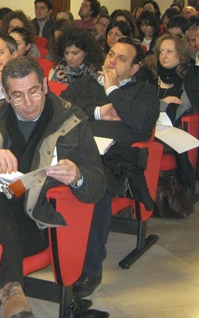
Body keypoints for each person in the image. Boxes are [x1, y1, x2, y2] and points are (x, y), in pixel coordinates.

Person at [0, 57, 105, 318]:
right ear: (6, 95)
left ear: (45, 86)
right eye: (18, 95)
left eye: (34, 91)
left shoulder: (72, 120)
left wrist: (77, 176)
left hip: (38, 219)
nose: (28, 103)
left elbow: (98, 185)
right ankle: (8, 293)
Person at [61, 37, 159, 297]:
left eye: (122, 59)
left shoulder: (144, 92)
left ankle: (91, 269)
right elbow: (62, 110)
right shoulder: (85, 83)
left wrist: (113, 90)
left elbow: (140, 125)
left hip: (113, 160)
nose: (112, 61)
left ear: (134, 69)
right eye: (111, 54)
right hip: (75, 151)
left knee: (97, 188)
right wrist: (98, 112)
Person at [140, 34, 199, 193]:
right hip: (146, 125)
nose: (163, 56)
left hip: (174, 131)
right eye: (161, 52)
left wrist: (156, 106)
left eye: (169, 52)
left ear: (181, 55)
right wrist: (164, 103)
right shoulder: (151, 74)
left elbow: (180, 110)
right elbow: (138, 105)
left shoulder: (192, 77)